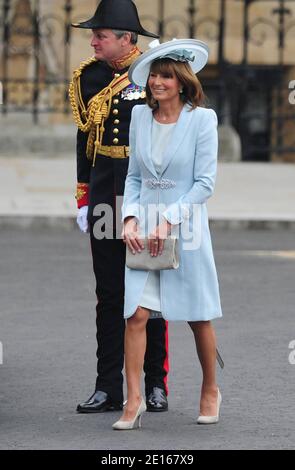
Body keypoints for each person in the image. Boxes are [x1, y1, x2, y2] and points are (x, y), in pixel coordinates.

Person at [112, 38, 223, 430]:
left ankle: (210, 388)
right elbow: (135, 177)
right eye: (154, 75)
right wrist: (128, 218)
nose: (158, 82)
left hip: (186, 227)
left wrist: (169, 220)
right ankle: (134, 400)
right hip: (144, 228)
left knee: (197, 316)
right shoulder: (140, 118)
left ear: (181, 82)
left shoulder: (202, 120)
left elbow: (204, 184)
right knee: (136, 316)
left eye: (166, 77)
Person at [69, 0, 169, 413]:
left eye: (101, 36)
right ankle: (108, 386)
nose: (93, 42)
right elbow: (84, 140)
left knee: (151, 292)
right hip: (105, 192)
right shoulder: (88, 77)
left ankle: (155, 384)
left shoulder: (154, 75)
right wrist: (83, 195)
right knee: (109, 293)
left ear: (127, 39)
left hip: (145, 195)